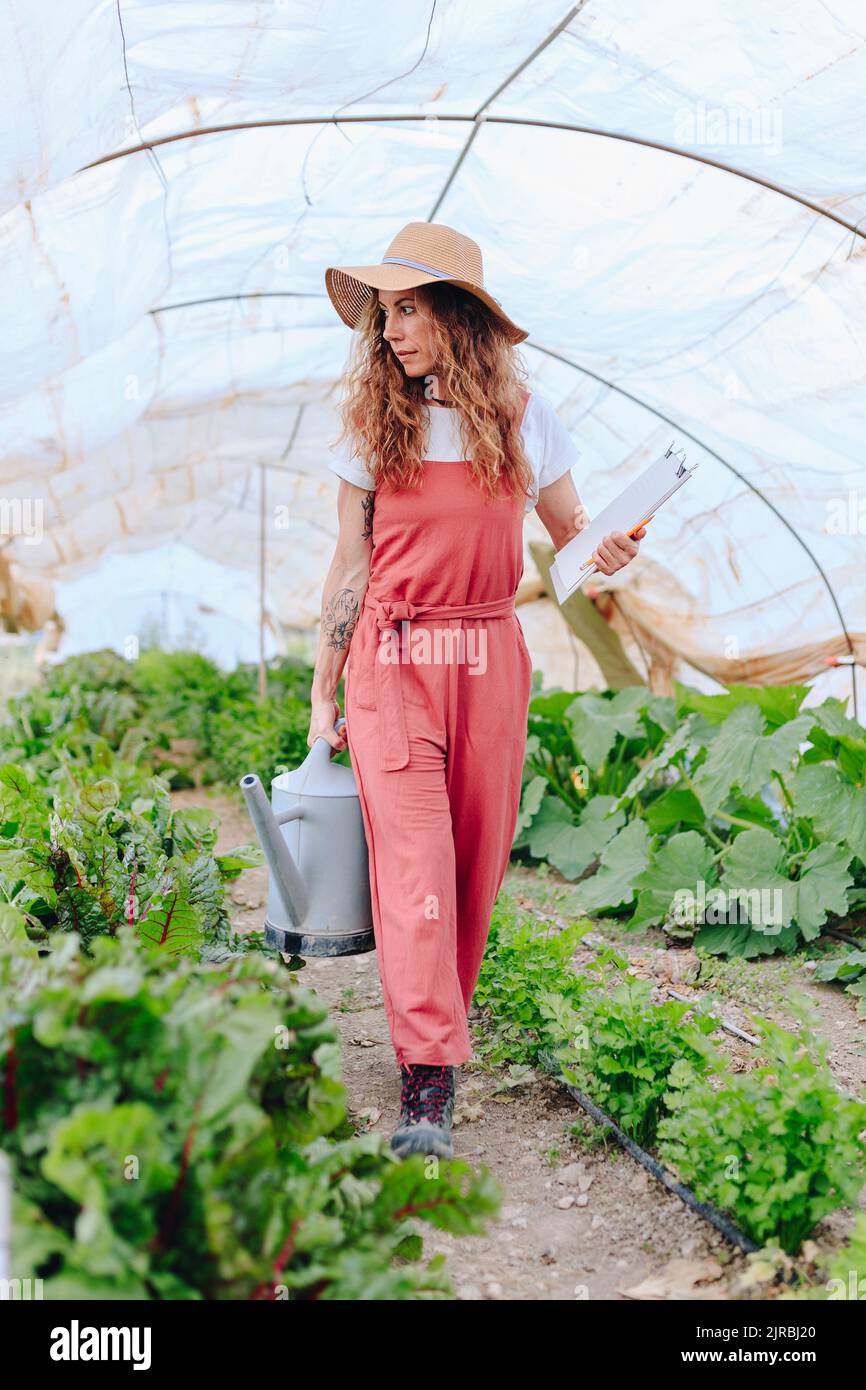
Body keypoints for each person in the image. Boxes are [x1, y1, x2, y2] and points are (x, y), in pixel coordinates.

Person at [308, 223, 644, 1159]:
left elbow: (574, 541)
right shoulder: (371, 425)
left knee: (470, 866)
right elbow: (348, 565)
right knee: (414, 863)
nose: (391, 332)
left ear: (459, 315)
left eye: (408, 310)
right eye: (384, 315)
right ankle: (427, 1077)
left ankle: (437, 1041)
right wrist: (321, 691)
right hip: (395, 657)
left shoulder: (527, 417)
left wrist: (605, 552)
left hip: (490, 655)